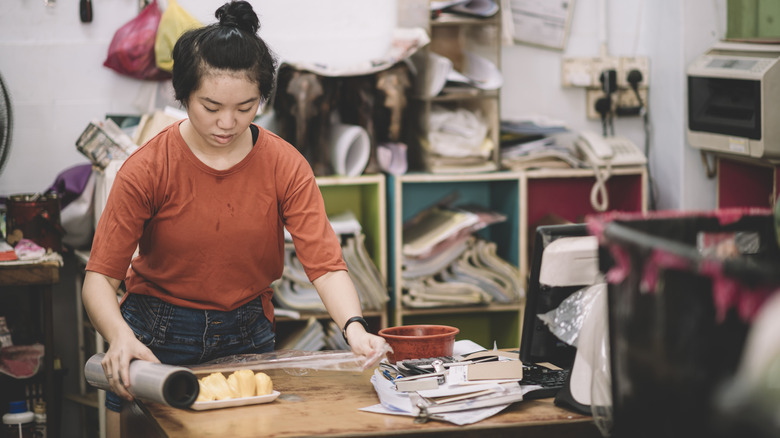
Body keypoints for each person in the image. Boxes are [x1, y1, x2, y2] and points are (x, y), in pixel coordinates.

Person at [82, 1, 388, 435]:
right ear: (184, 93)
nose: (227, 123)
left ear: (262, 98)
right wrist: (119, 336)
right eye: (210, 106)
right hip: (155, 337)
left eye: (246, 107)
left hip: (248, 333)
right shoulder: (148, 168)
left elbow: (325, 264)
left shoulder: (285, 164)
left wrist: (354, 329)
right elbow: (99, 278)